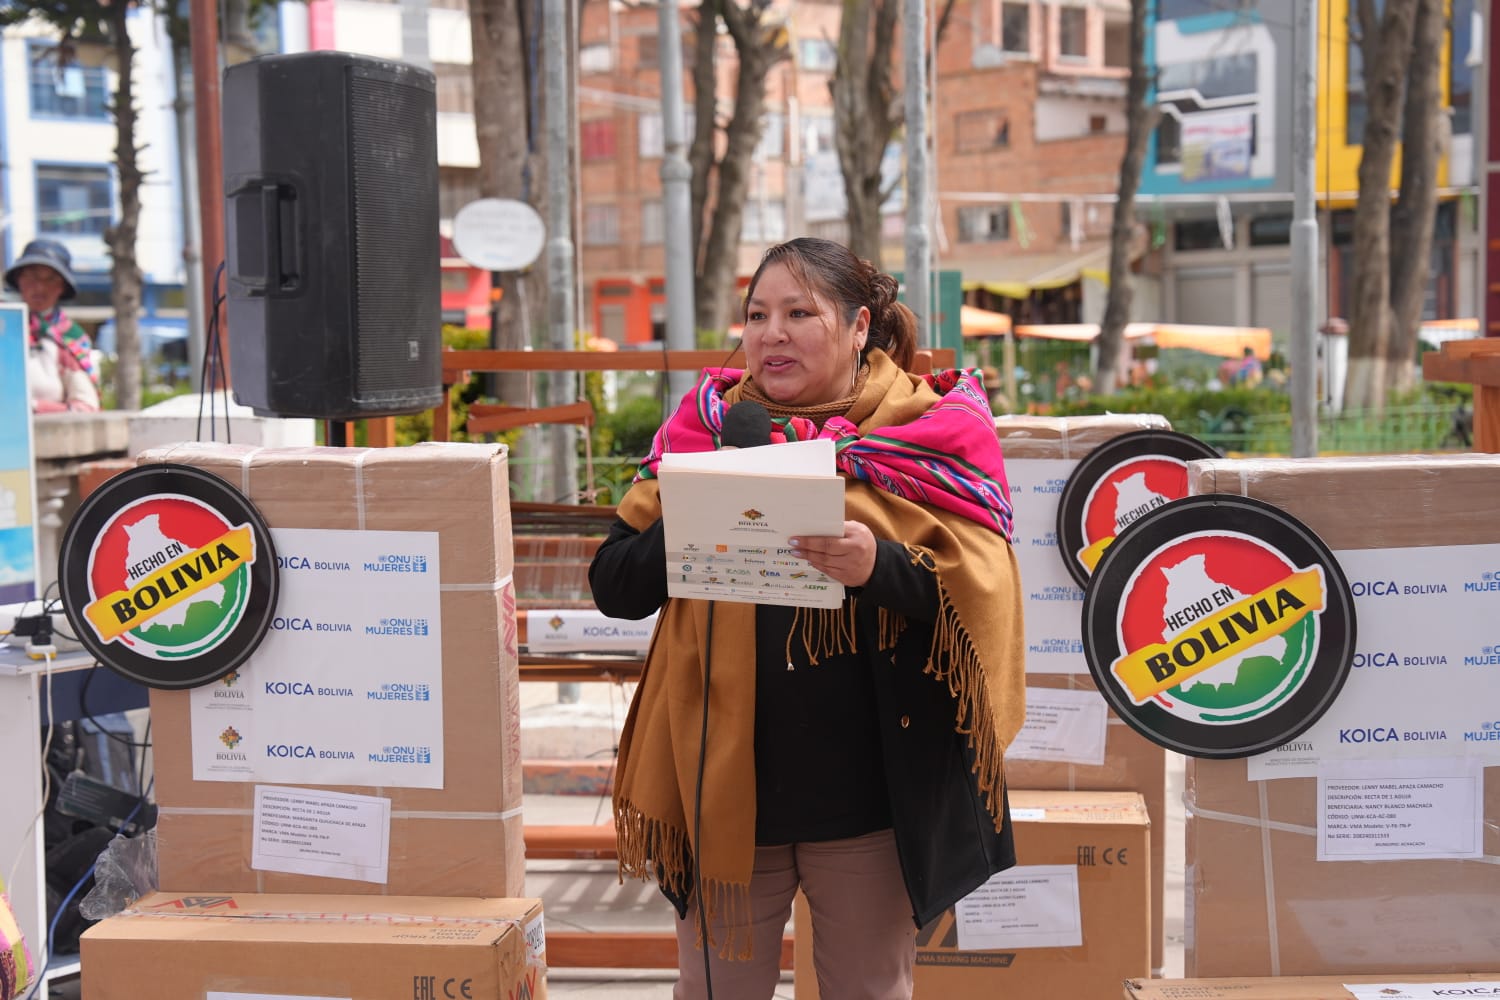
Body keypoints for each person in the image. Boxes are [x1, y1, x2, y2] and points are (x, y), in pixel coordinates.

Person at [589, 237, 1026, 1000]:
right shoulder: (707, 430)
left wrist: (878, 568)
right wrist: (704, 515)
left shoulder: (933, 432)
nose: (771, 334)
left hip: (867, 805)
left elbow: (983, 589)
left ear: (860, 327)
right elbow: (615, 584)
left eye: (799, 313)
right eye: (757, 315)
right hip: (721, 795)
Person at [6, 239, 100, 413]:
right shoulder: (4, 326)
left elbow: (86, 407)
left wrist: (33, 407)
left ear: (61, 287)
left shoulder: (70, 338)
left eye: (50, 279)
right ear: (19, 280)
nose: (40, 287)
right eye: (32, 277)